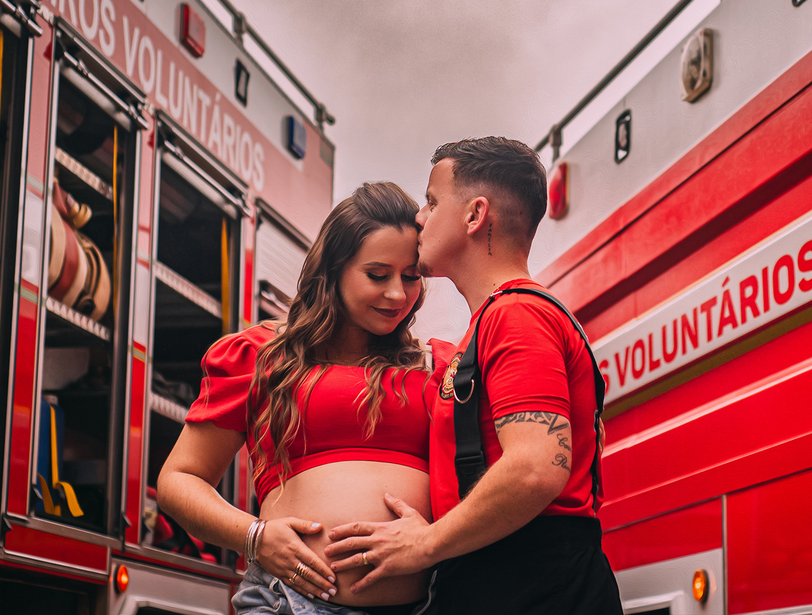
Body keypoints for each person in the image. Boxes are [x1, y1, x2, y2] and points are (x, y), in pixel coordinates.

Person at [324, 138, 622, 615]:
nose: (420, 217)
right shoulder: (494, 322)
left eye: (432, 201)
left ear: (474, 214)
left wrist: (423, 546)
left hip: (530, 583)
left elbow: (535, 469)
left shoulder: (517, 315)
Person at [157, 182, 438, 615]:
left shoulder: (436, 365)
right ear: (333, 270)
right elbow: (179, 481)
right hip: (289, 602)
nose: (398, 294)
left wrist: (434, 538)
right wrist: (255, 536)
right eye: (378, 275)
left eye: (411, 276)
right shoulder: (261, 355)